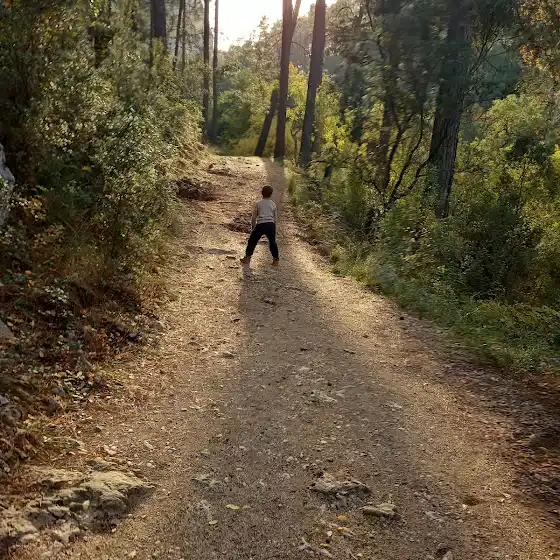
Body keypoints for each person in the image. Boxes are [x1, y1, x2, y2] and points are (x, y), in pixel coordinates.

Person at [241, 185, 279, 270]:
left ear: (262, 193)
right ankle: (276, 259)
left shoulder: (258, 203)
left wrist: (253, 227)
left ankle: (247, 258)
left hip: (261, 224)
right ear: (271, 194)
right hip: (271, 224)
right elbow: (275, 218)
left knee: (252, 241)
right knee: (272, 242)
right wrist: (274, 228)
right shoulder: (273, 204)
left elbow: (254, 217)